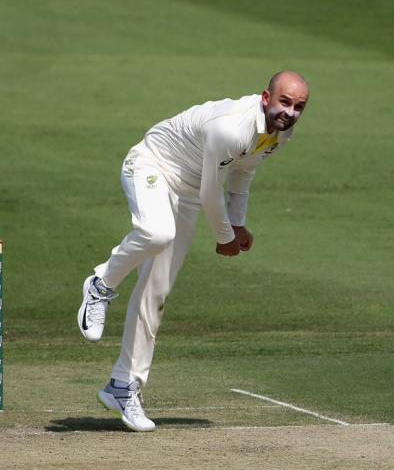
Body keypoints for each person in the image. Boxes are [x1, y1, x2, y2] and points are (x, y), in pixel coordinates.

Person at [77, 71, 310, 431]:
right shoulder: (231, 127)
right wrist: (225, 237)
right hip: (153, 164)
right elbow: (210, 194)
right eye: (285, 102)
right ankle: (101, 283)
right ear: (266, 97)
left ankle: (123, 386)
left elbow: (242, 172)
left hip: (188, 190)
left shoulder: (279, 132)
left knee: (156, 292)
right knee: (156, 233)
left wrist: (239, 222)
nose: (291, 112)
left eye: (299, 106)